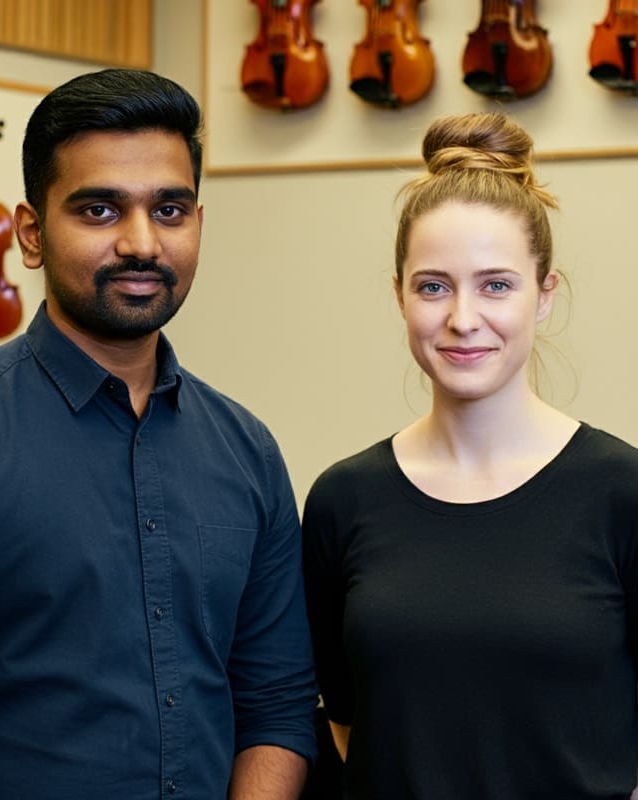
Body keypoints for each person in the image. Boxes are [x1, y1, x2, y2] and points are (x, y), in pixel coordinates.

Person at [0, 68, 318, 800]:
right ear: (30, 235)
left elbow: (277, 711)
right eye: (99, 210)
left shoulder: (248, 450)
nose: (140, 243)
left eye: (170, 210)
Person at [302, 111, 638, 799]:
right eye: (433, 286)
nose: (461, 317)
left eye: (496, 284)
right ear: (399, 296)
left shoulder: (622, 492)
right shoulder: (342, 500)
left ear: (544, 295)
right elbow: (343, 723)